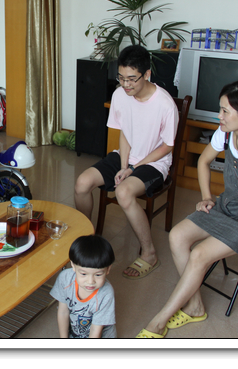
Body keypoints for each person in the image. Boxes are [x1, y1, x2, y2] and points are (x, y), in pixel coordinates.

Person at [136, 79, 238, 338]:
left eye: (225, 111)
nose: (219, 116)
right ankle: (195, 306)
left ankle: (159, 320)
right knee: (177, 236)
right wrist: (207, 196)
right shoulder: (225, 133)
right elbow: (203, 161)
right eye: (220, 109)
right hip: (227, 206)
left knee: (199, 254)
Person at [74, 45, 178, 279]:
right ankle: (87, 240)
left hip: (154, 162)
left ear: (147, 74)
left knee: (123, 192)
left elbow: (167, 146)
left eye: (131, 79)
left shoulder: (165, 104)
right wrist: (123, 166)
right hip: (126, 155)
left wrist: (133, 168)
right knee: (82, 183)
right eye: (121, 78)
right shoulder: (120, 94)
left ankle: (149, 254)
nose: (125, 84)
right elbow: (124, 132)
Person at [50, 235, 117, 338]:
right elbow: (63, 312)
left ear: (108, 269)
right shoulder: (65, 279)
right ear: (73, 265)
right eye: (83, 274)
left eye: (98, 275)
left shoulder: (106, 293)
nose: (90, 282)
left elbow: (96, 330)